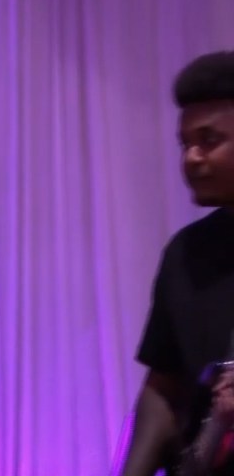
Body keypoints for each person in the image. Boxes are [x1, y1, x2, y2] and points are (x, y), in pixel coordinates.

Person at [120, 51, 234, 476]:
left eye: (209, 141)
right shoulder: (185, 253)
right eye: (184, 145)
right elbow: (164, 389)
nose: (191, 159)